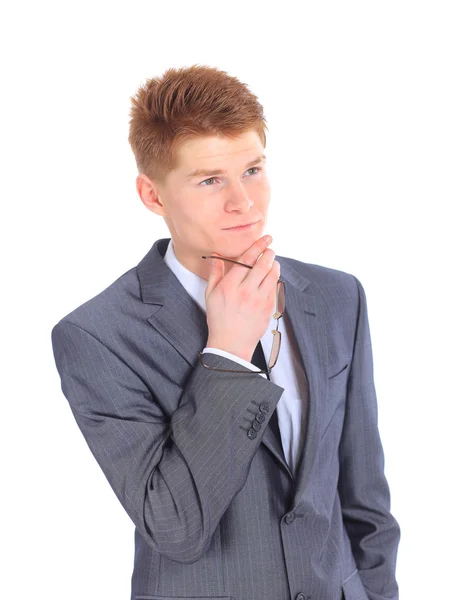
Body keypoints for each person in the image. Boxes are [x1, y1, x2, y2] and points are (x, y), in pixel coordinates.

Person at [51, 64, 400, 600]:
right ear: (153, 195)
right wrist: (229, 355)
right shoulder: (98, 336)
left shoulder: (337, 297)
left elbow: (365, 500)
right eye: (211, 180)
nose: (244, 202)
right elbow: (175, 527)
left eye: (253, 170)